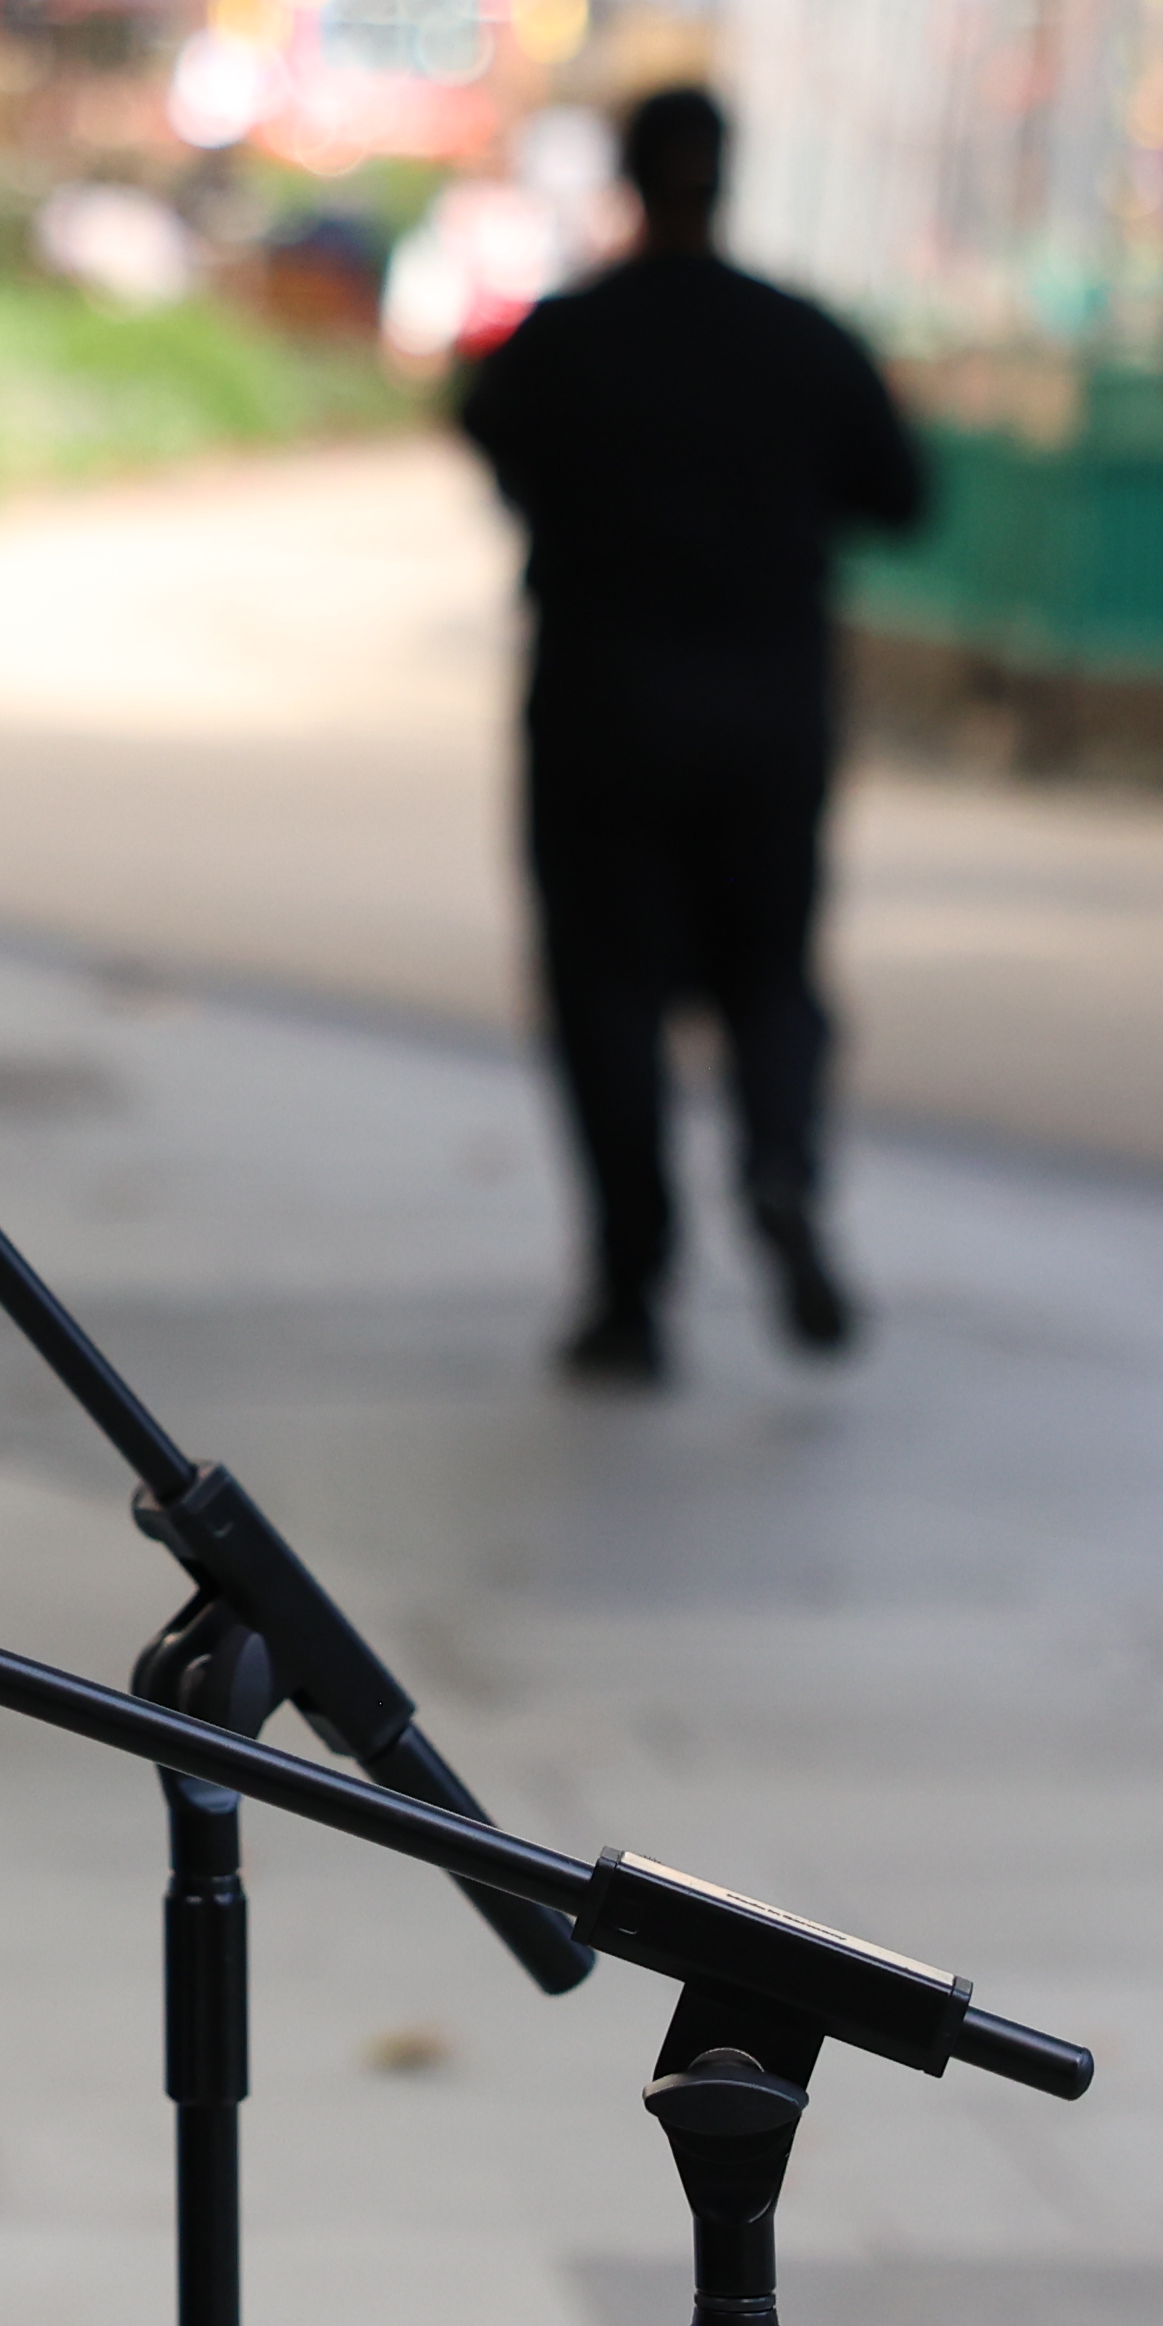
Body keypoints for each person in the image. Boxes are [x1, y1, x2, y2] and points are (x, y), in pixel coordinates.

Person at [457, 85, 930, 1385]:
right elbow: (901, 494)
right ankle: (779, 1169)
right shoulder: (803, 339)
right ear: (728, 178)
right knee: (770, 972)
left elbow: (491, 450)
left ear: (624, 179)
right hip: (771, 710)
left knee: (604, 991)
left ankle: (631, 1291)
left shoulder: (565, 340)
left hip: (602, 702)